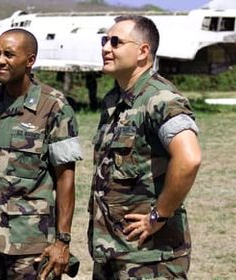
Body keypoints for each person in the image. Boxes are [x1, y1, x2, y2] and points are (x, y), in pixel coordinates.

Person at [0, 28, 83, 280]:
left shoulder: (54, 106)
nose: (0, 60)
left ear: (30, 60)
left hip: (29, 242)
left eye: (9, 54)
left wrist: (62, 241)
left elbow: (65, 178)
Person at [87, 15, 202, 279]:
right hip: (113, 251)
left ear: (143, 51)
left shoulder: (160, 98)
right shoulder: (115, 100)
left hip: (150, 257)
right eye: (105, 40)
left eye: (115, 42)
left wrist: (159, 216)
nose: (106, 48)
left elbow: (189, 158)